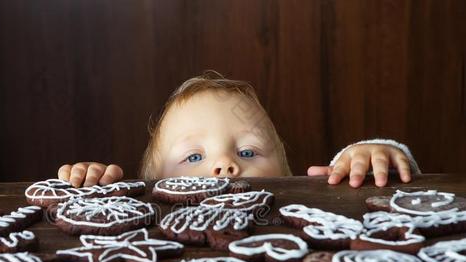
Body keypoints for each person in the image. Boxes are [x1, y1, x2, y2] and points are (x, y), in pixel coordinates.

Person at [57, 71, 419, 188]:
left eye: (248, 152)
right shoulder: (148, 220)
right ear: (151, 184)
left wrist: (365, 160)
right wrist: (94, 187)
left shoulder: (290, 214)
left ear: (287, 175)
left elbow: (353, 199)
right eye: (194, 156)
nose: (225, 165)